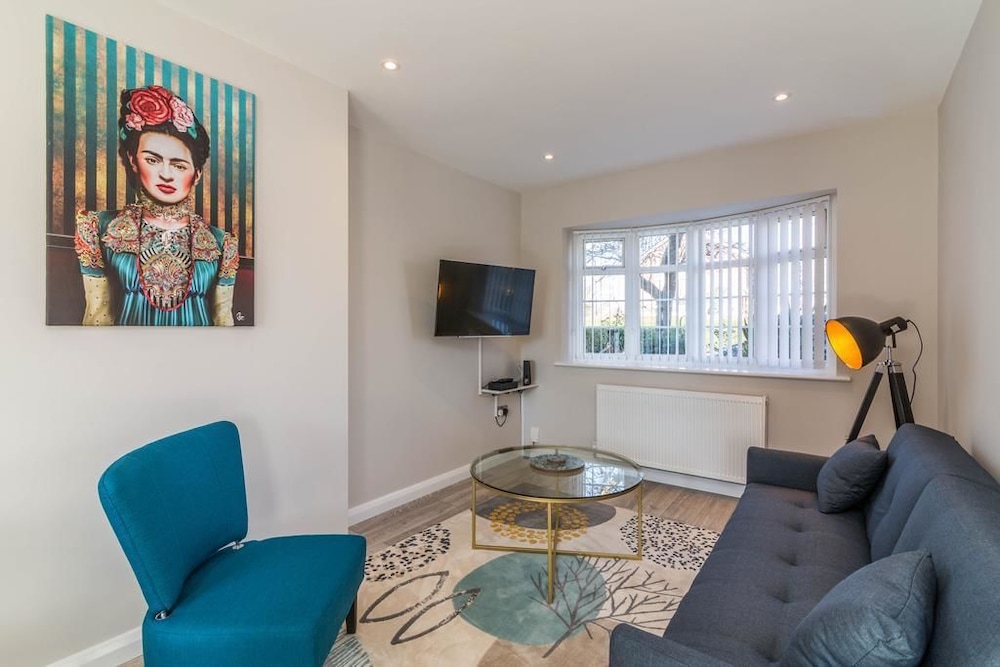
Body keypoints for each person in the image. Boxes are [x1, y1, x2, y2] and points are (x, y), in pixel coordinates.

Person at [74, 84, 239, 325]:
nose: (166, 175)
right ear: (133, 161)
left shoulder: (221, 242)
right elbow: (97, 316)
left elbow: (223, 319)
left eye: (179, 165)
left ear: (197, 174)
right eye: (152, 160)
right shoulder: (98, 228)